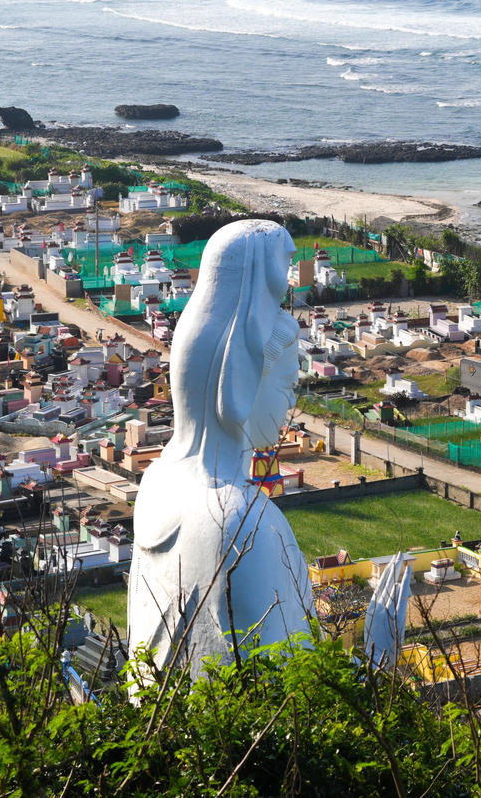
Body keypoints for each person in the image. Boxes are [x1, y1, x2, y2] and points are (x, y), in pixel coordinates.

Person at [128, 220, 311, 674]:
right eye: (288, 382)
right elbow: (292, 703)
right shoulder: (242, 524)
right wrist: (379, 659)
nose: (292, 399)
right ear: (244, 377)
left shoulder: (157, 485)